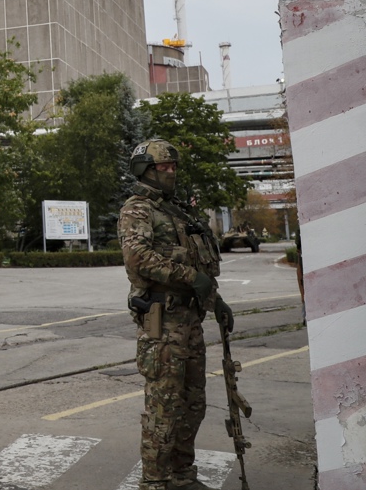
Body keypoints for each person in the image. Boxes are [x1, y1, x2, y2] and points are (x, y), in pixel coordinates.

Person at [118, 139, 232, 490]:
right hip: (162, 321)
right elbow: (138, 258)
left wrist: (216, 301)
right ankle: (154, 481)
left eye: (173, 167)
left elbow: (199, 269)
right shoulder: (138, 209)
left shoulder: (175, 211)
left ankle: (183, 475)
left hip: (190, 319)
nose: (172, 173)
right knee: (164, 405)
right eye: (165, 168)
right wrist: (189, 277)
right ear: (147, 171)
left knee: (193, 403)